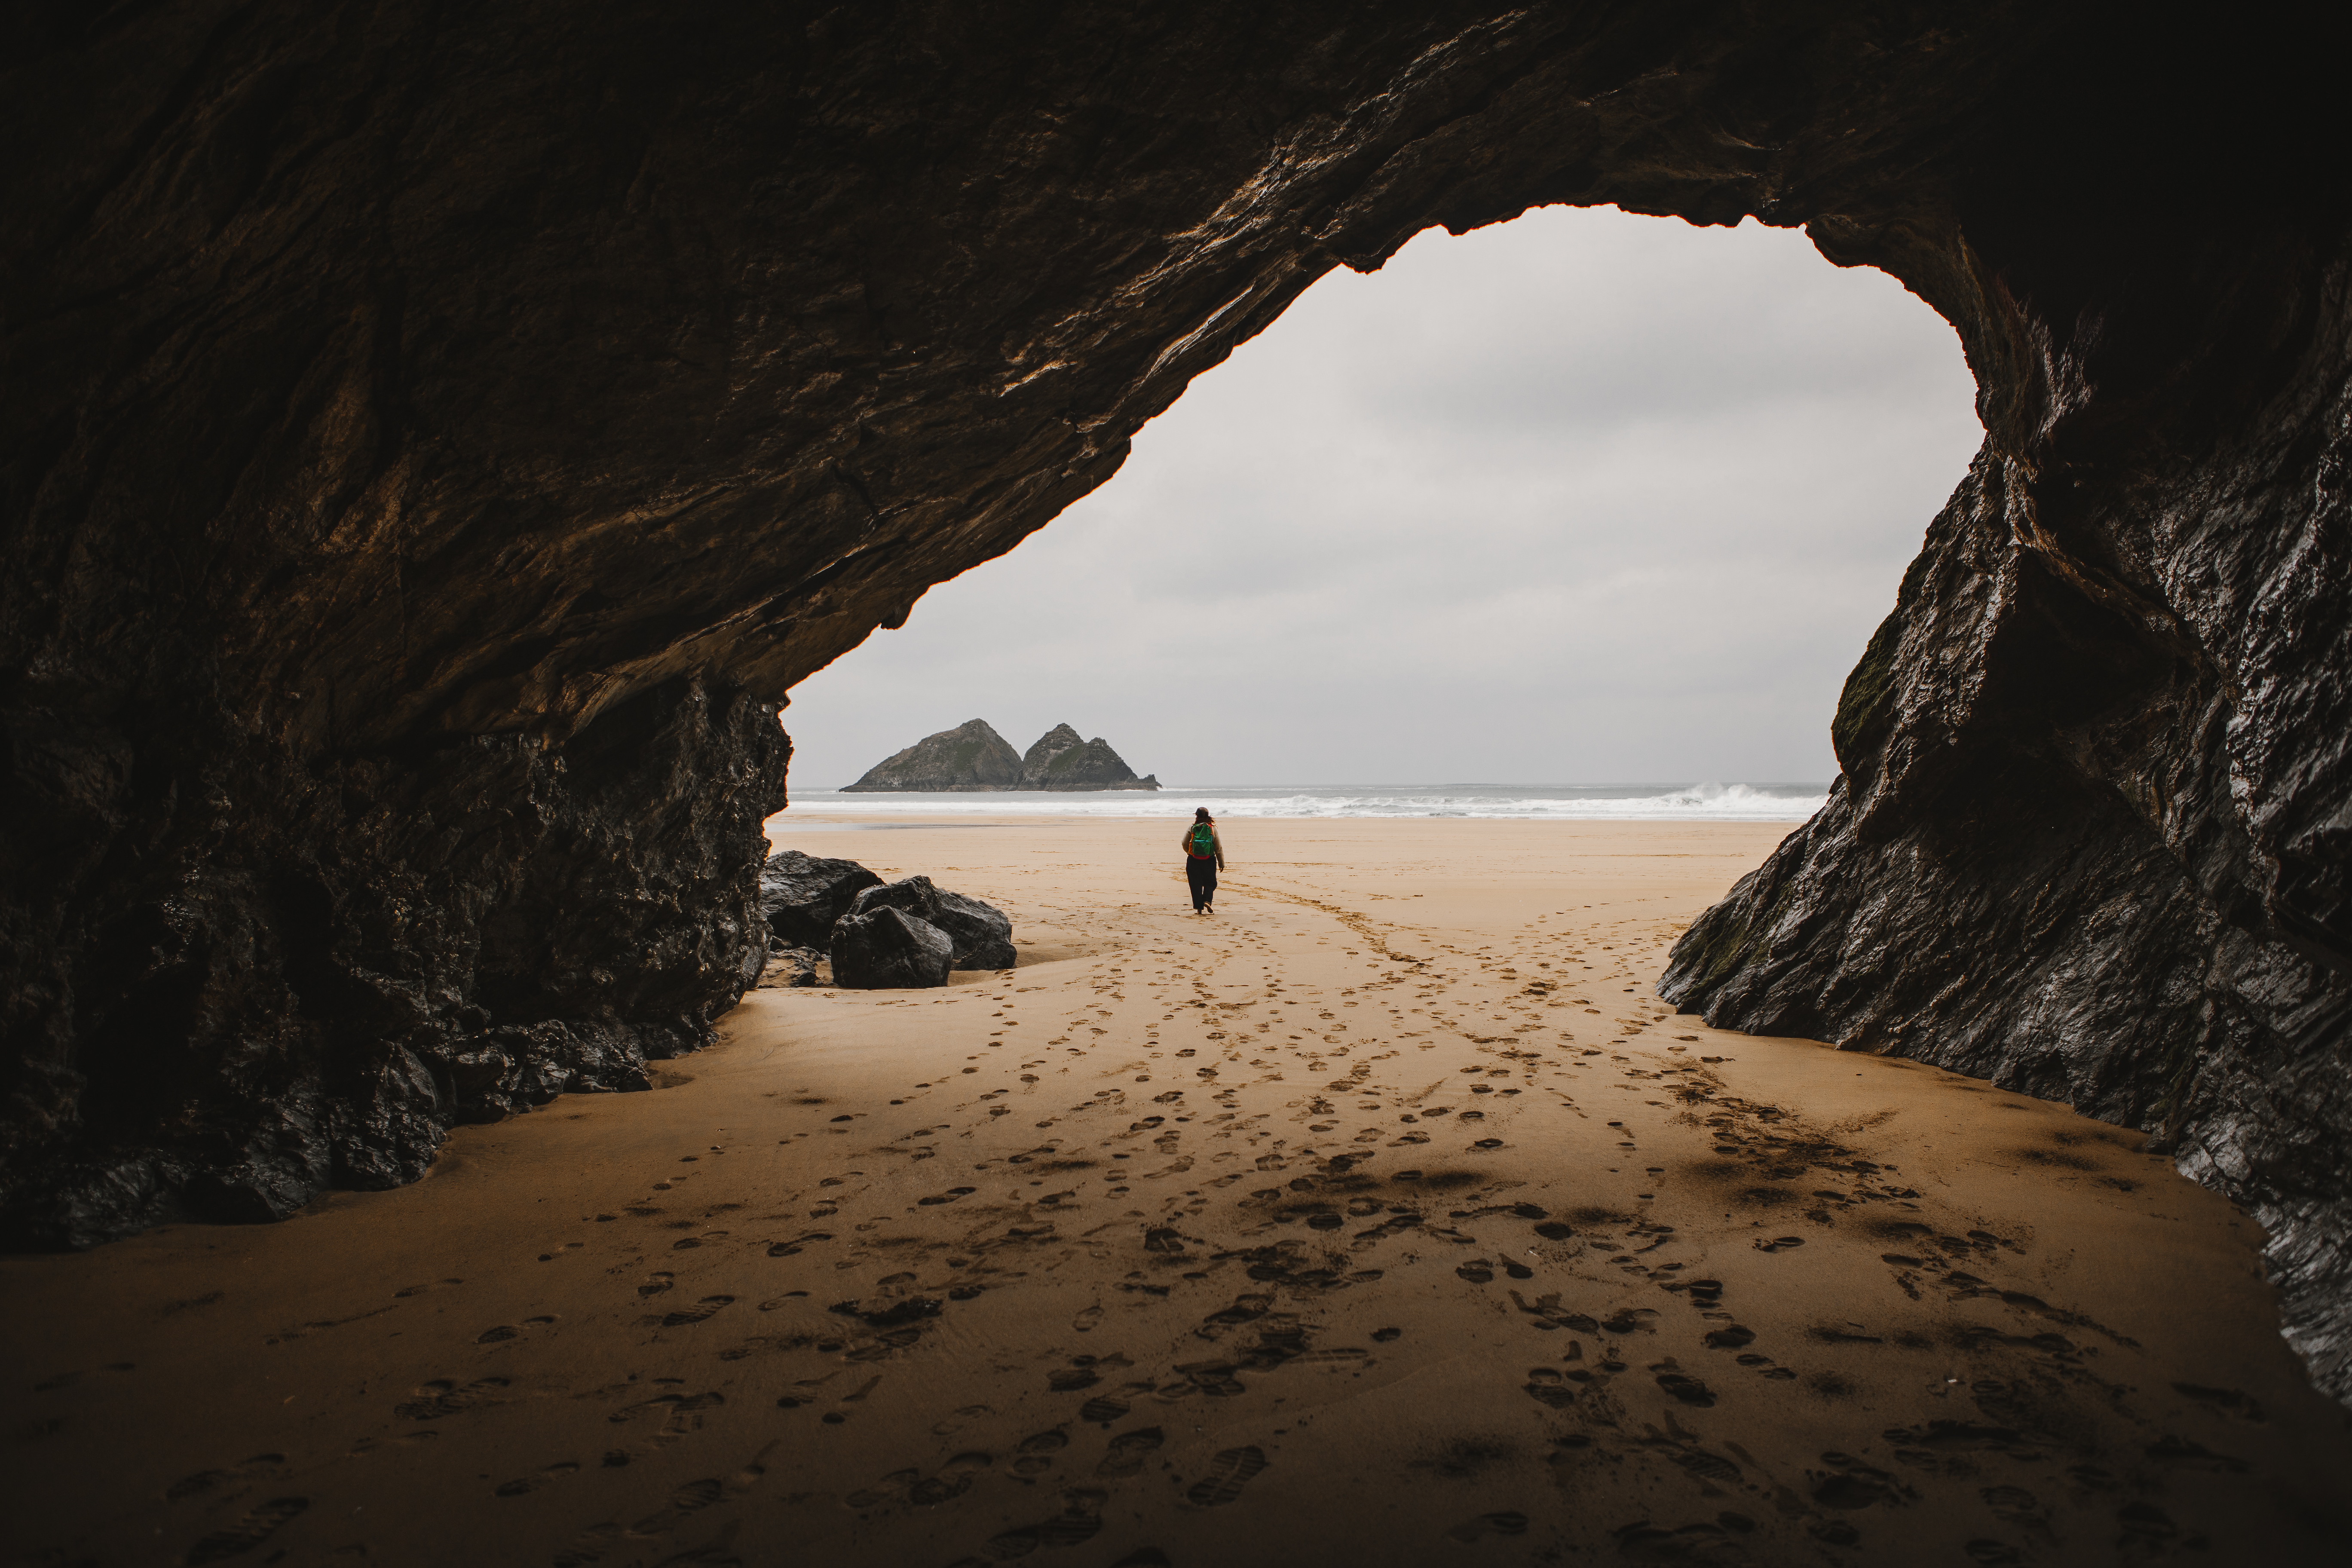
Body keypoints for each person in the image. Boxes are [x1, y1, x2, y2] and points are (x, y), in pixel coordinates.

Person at [1180, 807, 1225, 914]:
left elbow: (1184, 843)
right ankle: (1207, 901)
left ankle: (1199, 909)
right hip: (1209, 860)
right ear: (1208, 816)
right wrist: (1221, 863)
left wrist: (1190, 853)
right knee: (1211, 883)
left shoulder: (1192, 828)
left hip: (1193, 860)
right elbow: (1218, 847)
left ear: (1197, 816)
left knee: (1195, 884)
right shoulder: (1212, 829)